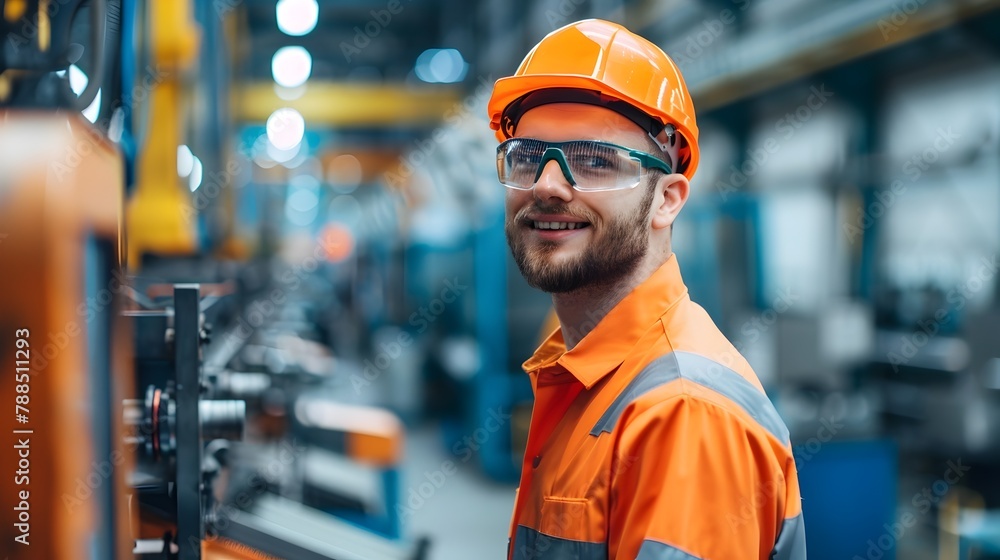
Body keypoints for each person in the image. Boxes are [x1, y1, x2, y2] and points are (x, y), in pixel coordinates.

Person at [487, 19, 806, 560]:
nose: (546, 184)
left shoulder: (683, 414)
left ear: (667, 200)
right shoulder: (586, 377)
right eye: (526, 156)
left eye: (593, 161)